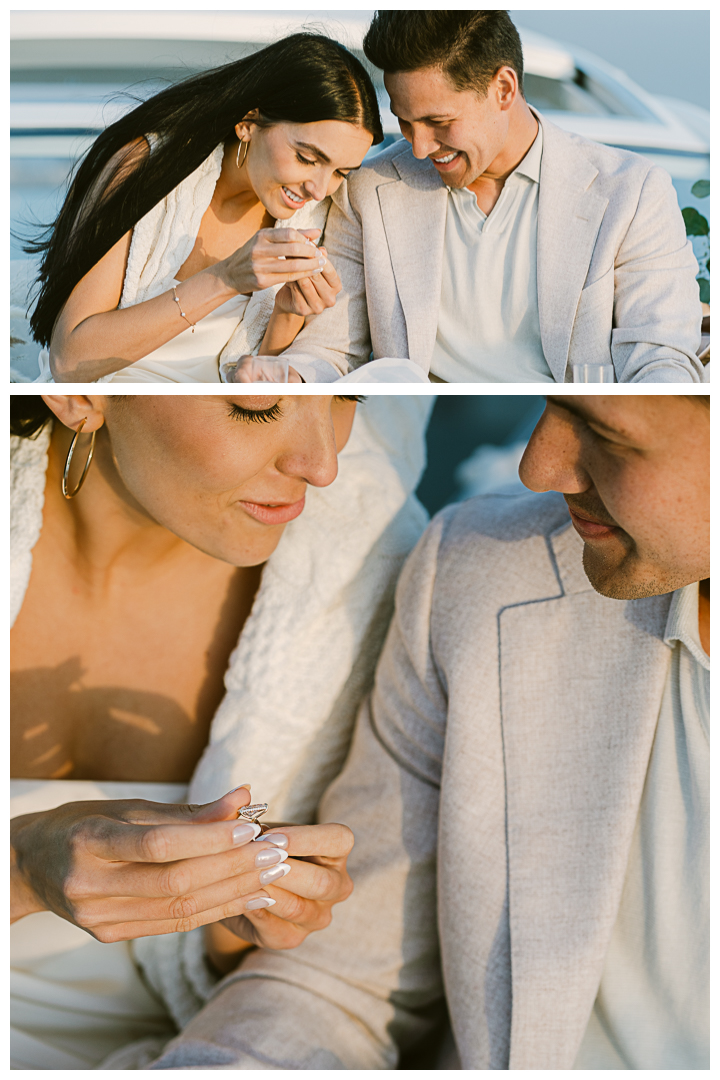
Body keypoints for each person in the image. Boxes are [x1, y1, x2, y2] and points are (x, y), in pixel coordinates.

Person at [150, 393, 709, 1070]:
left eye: (609, 433)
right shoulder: (482, 572)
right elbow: (344, 984)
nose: (539, 466)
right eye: (556, 401)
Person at [10, 392, 432, 1069]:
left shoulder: (370, 568)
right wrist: (20, 871)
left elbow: (350, 991)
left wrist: (239, 925)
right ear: (84, 392)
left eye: (346, 394)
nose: (321, 465)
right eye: (258, 404)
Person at [278, 11, 706, 383]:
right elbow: (331, 352)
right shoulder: (368, 191)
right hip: (427, 450)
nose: (421, 148)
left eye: (438, 121)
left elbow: (660, 358)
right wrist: (290, 372)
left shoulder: (632, 193)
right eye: (406, 123)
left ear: (503, 88)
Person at [22, 34, 382, 384]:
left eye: (340, 172)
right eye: (306, 158)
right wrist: (224, 279)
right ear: (249, 122)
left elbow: (254, 387)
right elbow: (69, 361)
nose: (318, 189)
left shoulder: (318, 218)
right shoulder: (146, 166)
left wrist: (287, 315)